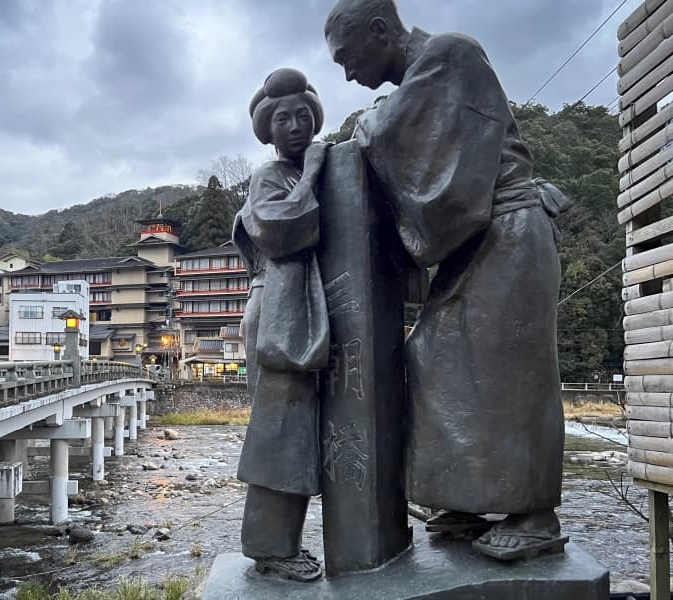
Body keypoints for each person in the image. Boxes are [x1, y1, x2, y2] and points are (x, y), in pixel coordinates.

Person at [324, 0, 572, 561]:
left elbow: (390, 133)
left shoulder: (447, 54)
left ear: (381, 30)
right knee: (433, 357)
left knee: (515, 373)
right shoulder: (422, 74)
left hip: (508, 230)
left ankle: (535, 515)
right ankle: (462, 501)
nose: (346, 74)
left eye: (347, 57)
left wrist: (368, 123)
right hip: (475, 243)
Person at [231, 68, 331, 582]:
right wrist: (313, 173)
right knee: (280, 431)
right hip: (277, 310)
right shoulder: (269, 178)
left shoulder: (321, 167)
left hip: (307, 314)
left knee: (304, 432)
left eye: (302, 116)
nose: (294, 126)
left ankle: (283, 544)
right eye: (282, 119)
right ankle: (271, 548)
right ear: (268, 130)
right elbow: (278, 232)